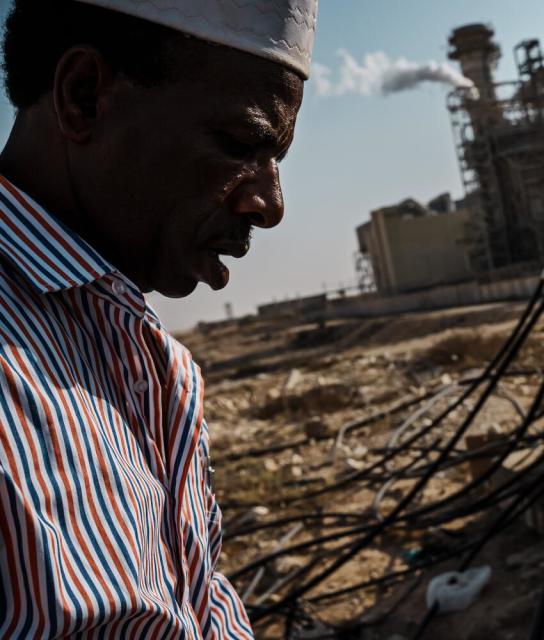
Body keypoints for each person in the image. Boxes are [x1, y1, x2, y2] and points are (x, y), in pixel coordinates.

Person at [0, 0, 317, 637]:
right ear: (84, 96)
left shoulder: (164, 375)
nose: (269, 203)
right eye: (238, 144)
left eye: (277, 158)